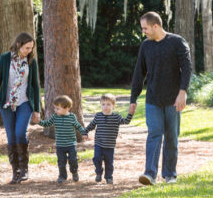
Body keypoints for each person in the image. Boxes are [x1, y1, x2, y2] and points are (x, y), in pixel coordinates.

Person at [129, 11, 192, 185]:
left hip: (173, 100)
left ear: (155, 26)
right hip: (153, 100)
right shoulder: (146, 46)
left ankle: (170, 174)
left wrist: (182, 93)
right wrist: (133, 98)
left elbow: (187, 69)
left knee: (171, 137)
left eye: (145, 28)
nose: (144, 32)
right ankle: (150, 174)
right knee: (154, 134)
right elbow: (139, 73)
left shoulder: (177, 42)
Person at [0, 32, 42, 184]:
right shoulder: (5, 59)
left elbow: (35, 87)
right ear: (18, 45)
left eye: (31, 48)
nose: (29, 51)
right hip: (7, 104)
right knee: (11, 137)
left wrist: (37, 109)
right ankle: (15, 171)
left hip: (25, 103)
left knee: (20, 133)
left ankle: (24, 170)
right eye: (26, 48)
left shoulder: (32, 62)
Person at [35, 95, 89, 183]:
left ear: (67, 108)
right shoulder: (55, 116)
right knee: (61, 162)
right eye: (55, 108)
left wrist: (83, 132)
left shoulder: (72, 117)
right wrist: (39, 121)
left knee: (73, 160)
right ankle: (62, 176)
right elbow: (47, 124)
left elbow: (78, 126)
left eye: (57, 108)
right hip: (60, 145)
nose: (55, 110)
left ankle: (74, 172)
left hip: (71, 144)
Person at [82, 93, 134, 184]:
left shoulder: (116, 117)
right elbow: (91, 125)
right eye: (103, 104)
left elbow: (126, 121)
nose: (105, 107)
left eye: (108, 104)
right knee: (97, 158)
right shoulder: (98, 116)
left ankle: (109, 177)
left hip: (110, 145)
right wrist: (85, 132)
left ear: (113, 106)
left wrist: (130, 113)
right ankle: (99, 172)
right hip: (99, 143)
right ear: (101, 105)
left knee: (109, 162)